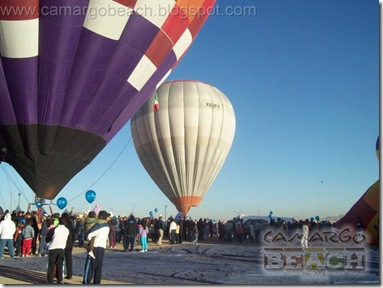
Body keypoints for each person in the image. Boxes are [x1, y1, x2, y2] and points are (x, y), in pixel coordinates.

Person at [83, 210, 110, 284]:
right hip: (102, 248)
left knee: (90, 267)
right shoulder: (107, 226)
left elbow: (89, 236)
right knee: (98, 268)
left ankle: (86, 283)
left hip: (94, 248)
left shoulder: (98, 226)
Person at [46, 216, 69, 284]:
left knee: (51, 265)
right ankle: (60, 280)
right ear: (65, 222)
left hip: (53, 248)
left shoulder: (54, 229)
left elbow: (47, 239)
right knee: (60, 265)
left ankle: (50, 281)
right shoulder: (67, 230)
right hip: (61, 248)